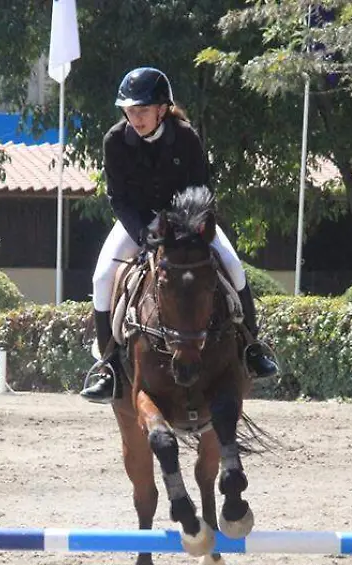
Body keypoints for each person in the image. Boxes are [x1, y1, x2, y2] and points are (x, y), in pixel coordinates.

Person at [79, 66, 280, 403]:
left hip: (187, 222)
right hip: (139, 222)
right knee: (102, 277)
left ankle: (252, 348)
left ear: (162, 109)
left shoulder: (186, 136)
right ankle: (108, 367)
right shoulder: (115, 140)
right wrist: (144, 234)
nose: (135, 118)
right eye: (129, 111)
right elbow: (118, 197)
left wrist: (189, 228)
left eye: (142, 110)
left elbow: (201, 188)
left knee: (233, 265)